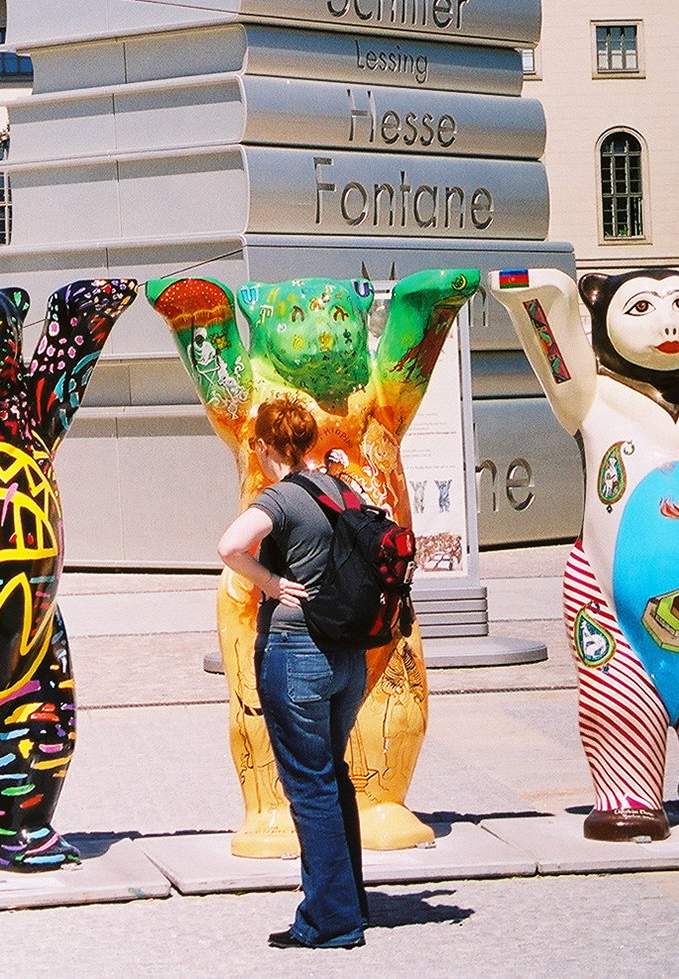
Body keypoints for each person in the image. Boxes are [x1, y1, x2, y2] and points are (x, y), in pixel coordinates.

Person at [217, 396, 368, 951]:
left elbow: (229, 547)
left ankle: (330, 920)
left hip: (296, 652)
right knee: (333, 776)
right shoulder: (339, 488)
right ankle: (349, 901)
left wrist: (272, 584)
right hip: (347, 658)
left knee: (309, 786)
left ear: (263, 445)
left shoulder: (280, 497)